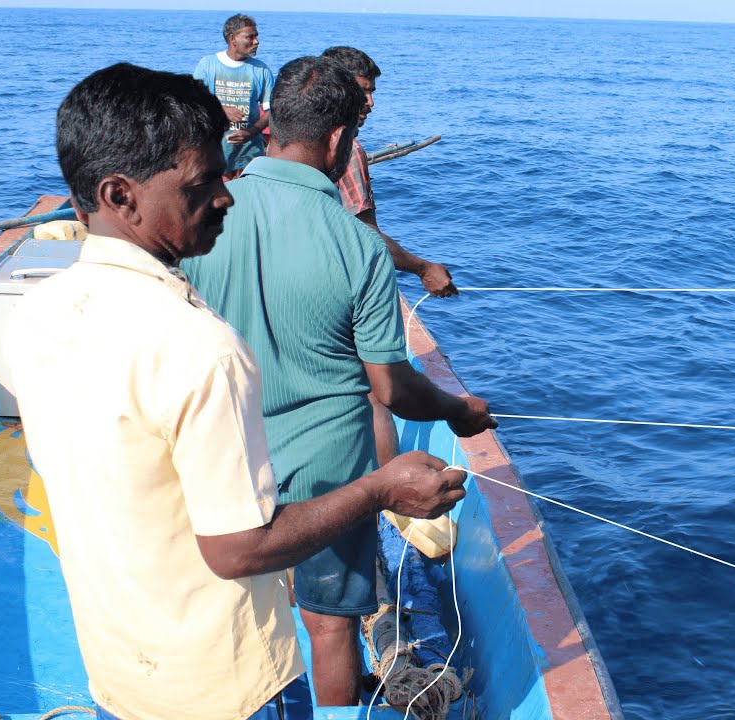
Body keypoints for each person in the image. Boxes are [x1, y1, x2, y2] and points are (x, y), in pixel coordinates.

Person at [5, 62, 468, 720]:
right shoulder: (202, 349)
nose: (225, 196)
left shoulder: (37, 316)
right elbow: (236, 551)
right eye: (202, 185)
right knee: (331, 622)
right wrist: (380, 488)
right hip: (231, 689)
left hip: (118, 675)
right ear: (120, 196)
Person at [180, 56, 497, 707]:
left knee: (232, 618)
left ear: (271, 124)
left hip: (220, 455)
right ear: (337, 141)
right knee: (330, 630)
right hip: (326, 473)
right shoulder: (359, 247)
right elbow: (391, 389)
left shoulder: (206, 215)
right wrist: (457, 408)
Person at [321, 45, 457, 465]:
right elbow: (366, 234)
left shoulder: (277, 137)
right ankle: (385, 495)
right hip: (337, 293)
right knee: (375, 396)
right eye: (364, 92)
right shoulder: (350, 151)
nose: (371, 103)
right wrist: (423, 267)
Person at [194, 13, 274, 179]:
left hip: (249, 156)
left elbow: (271, 110)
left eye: (256, 37)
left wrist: (252, 132)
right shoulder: (208, 65)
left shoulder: (261, 70)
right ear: (232, 39)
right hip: (215, 153)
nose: (256, 42)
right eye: (249, 37)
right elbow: (195, 102)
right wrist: (221, 109)